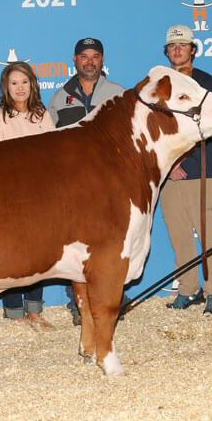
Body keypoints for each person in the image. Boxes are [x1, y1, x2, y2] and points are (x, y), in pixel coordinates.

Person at [46, 37, 125, 323]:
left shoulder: (118, 93)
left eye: (95, 56)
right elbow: (50, 140)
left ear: (102, 60)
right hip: (73, 184)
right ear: (75, 60)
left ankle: (114, 298)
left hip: (111, 183)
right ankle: (79, 303)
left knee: (113, 242)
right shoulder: (59, 96)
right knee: (75, 244)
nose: (89, 61)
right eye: (84, 56)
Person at [159, 24, 212, 314]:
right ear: (167, 51)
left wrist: (180, 159)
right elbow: (156, 127)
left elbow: (205, 124)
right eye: (173, 46)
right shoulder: (159, 83)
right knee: (178, 233)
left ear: (193, 50)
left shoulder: (204, 81)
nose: (178, 50)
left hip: (198, 165)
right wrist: (169, 162)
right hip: (166, 170)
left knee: (208, 231)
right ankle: (188, 289)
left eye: (183, 45)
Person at [0, 61, 56, 329]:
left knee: (38, 255)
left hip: (40, 195)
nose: (20, 88)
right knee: (13, 256)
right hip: (10, 196)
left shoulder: (42, 116)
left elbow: (52, 157)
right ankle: (14, 312)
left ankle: (35, 311)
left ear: (32, 85)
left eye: (24, 82)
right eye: (14, 83)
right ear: (6, 87)